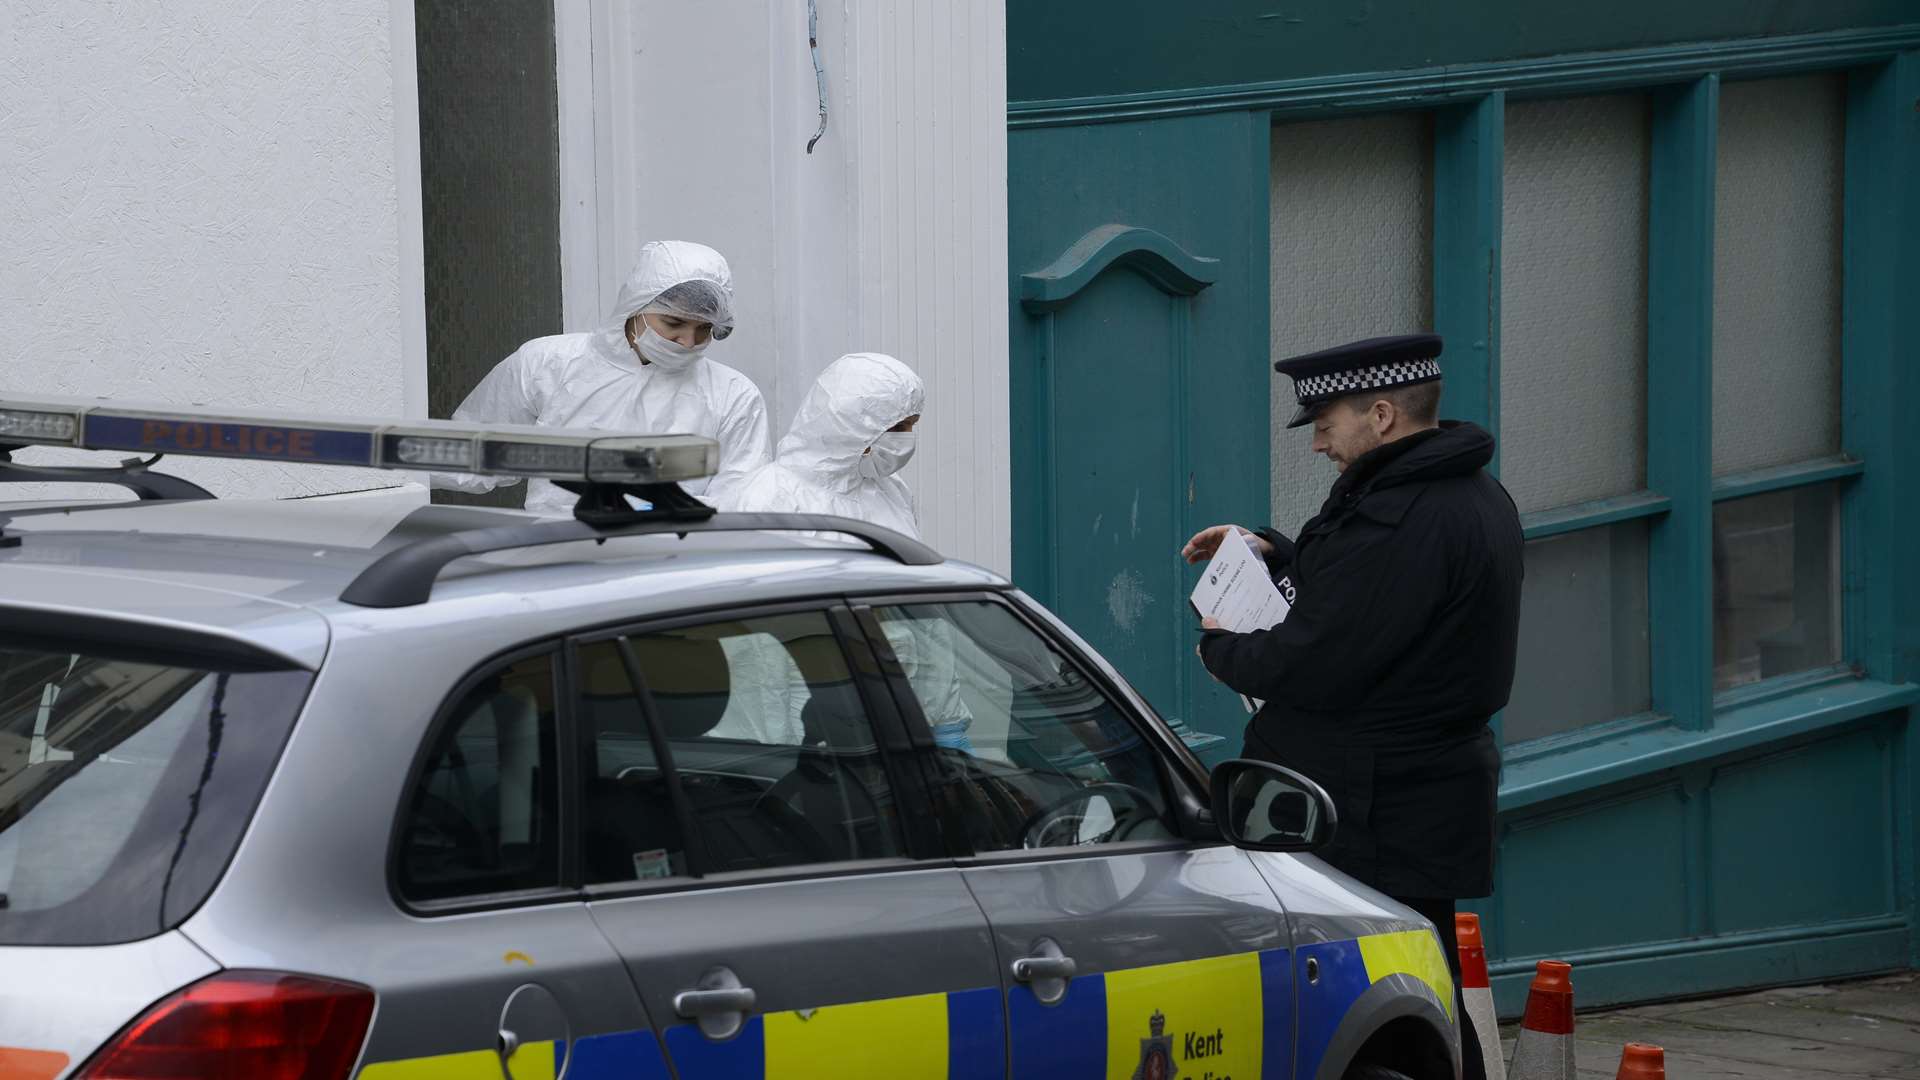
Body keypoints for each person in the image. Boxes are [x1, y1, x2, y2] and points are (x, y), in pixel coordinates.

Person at [1179, 334, 1521, 1080]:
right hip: (1410, 795)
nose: (1319, 444)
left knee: (1386, 995)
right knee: (1420, 980)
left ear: (1383, 413)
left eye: (1326, 421)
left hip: (1369, 809)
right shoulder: (1463, 495)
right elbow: (1362, 603)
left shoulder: (1399, 518)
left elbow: (1319, 657)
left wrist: (1219, 651)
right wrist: (1269, 551)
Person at [722, 352, 975, 751]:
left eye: (913, 424)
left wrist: (945, 721)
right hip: (815, 726)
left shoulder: (891, 492)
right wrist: (771, 752)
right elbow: (757, 646)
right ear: (851, 422)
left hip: (895, 711)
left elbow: (922, 618)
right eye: (898, 426)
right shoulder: (769, 497)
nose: (908, 437)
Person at [433, 240, 772, 515]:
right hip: (558, 561)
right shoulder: (549, 364)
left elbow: (740, 500)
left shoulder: (733, 395)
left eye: (704, 329)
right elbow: (470, 453)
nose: (688, 341)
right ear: (636, 307)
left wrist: (656, 510)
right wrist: (392, 477)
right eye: (673, 324)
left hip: (673, 569)